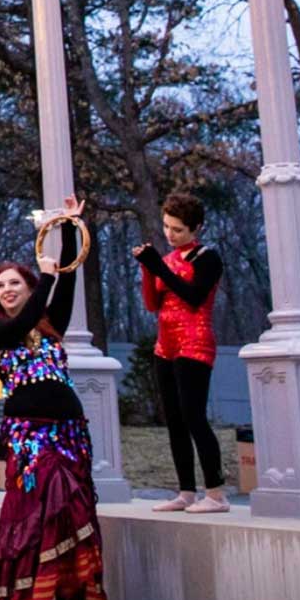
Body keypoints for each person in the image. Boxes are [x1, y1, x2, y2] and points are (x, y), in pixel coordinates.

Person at [0, 197, 106, 600]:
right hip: (31, 435)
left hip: (69, 430)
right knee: (39, 512)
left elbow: (67, 281)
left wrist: (70, 226)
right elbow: (22, 322)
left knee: (71, 513)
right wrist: (46, 277)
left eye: (15, 283)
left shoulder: (50, 324)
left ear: (30, 288)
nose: (8, 291)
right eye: (0, 287)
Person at [134, 191, 228, 513]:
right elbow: (151, 304)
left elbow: (193, 296)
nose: (170, 235)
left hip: (195, 341)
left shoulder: (207, 258)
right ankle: (186, 491)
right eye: (167, 227)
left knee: (194, 416)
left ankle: (216, 493)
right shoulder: (168, 261)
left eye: (178, 230)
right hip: (166, 344)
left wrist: (158, 267)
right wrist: (149, 270)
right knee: (174, 420)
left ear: (196, 228)